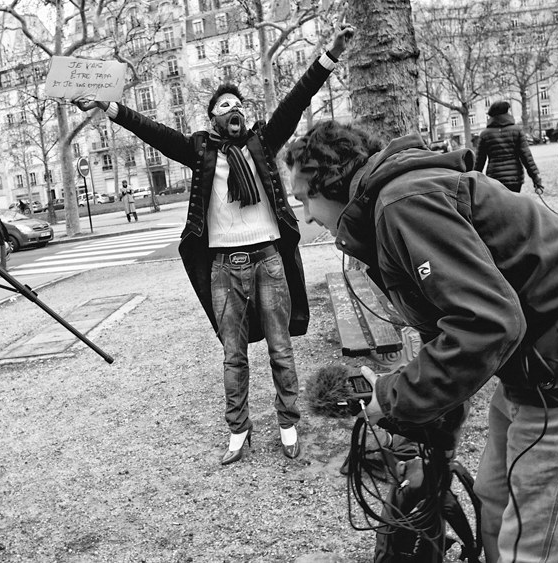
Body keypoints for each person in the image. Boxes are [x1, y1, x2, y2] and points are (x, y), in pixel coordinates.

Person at [284, 120, 558, 563]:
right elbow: (445, 334)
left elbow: (488, 325)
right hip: (529, 360)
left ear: (330, 181)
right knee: (493, 496)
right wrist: (432, 450)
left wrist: (392, 396)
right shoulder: (390, 207)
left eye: (304, 200)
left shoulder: (402, 204)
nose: (306, 216)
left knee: (537, 538)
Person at [74, 23, 356, 465]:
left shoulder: (263, 142)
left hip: (269, 259)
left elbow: (298, 98)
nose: (234, 108)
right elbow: (155, 132)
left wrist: (330, 55)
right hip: (226, 266)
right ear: (214, 119)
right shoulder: (202, 151)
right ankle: (238, 431)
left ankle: (287, 423)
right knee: (233, 355)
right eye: (225, 105)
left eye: (238, 103)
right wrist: (110, 107)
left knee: (281, 348)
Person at [473, 100, 542, 193]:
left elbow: (479, 161)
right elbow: (526, 156)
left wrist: (473, 181)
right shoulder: (517, 130)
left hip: (494, 177)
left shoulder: (485, 134)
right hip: (514, 177)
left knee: (499, 205)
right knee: (514, 204)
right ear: (506, 113)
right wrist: (535, 178)